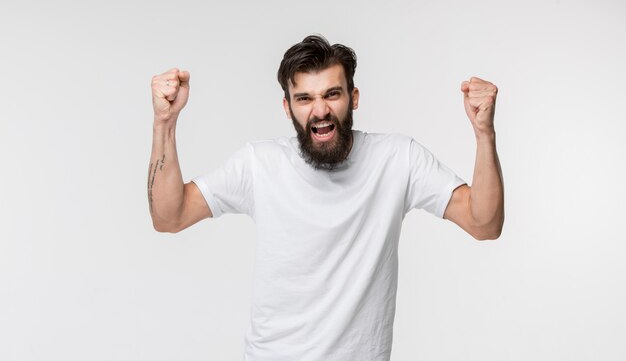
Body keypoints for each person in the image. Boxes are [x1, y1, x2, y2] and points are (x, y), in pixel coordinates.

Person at [147, 35, 504, 361]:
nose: (320, 110)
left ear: (354, 97)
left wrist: (484, 133)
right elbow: (170, 216)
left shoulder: (397, 159)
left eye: (332, 94)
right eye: (304, 98)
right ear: (287, 107)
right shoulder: (259, 164)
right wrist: (165, 121)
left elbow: (483, 222)